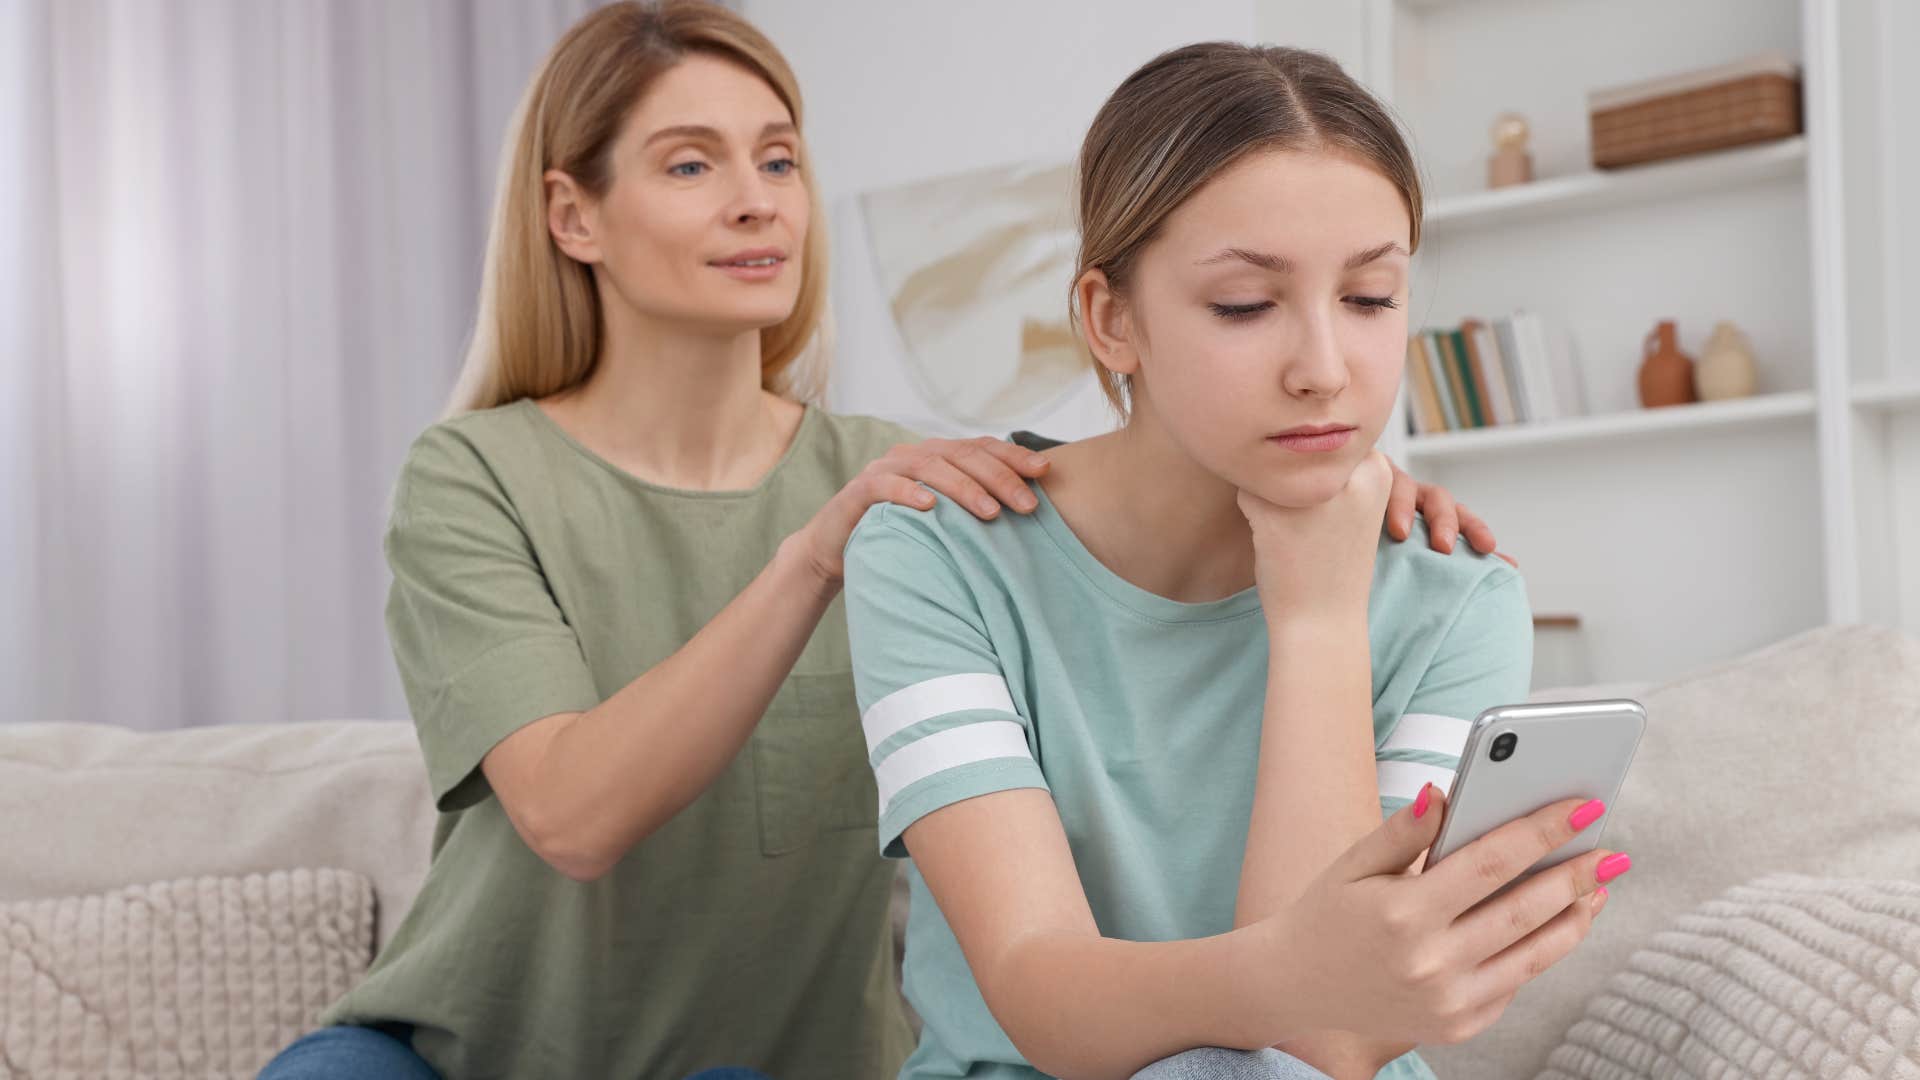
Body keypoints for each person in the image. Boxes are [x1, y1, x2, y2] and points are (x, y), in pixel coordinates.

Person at [259, 6, 1504, 1079]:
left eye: (782, 159)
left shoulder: (913, 483)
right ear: (571, 216)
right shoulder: (496, 476)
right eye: (691, 166)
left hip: (786, 1054)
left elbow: (1130, 489)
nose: (756, 200)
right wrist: (811, 561)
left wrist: (1353, 513)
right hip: (470, 1045)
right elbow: (572, 816)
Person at [841, 42, 1624, 1080]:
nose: (1324, 370)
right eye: (1247, 306)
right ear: (1111, 320)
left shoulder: (1456, 596)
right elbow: (1042, 993)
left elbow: (1328, 1047)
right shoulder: (937, 555)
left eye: (1371, 298)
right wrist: (1306, 970)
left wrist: (1320, 620)